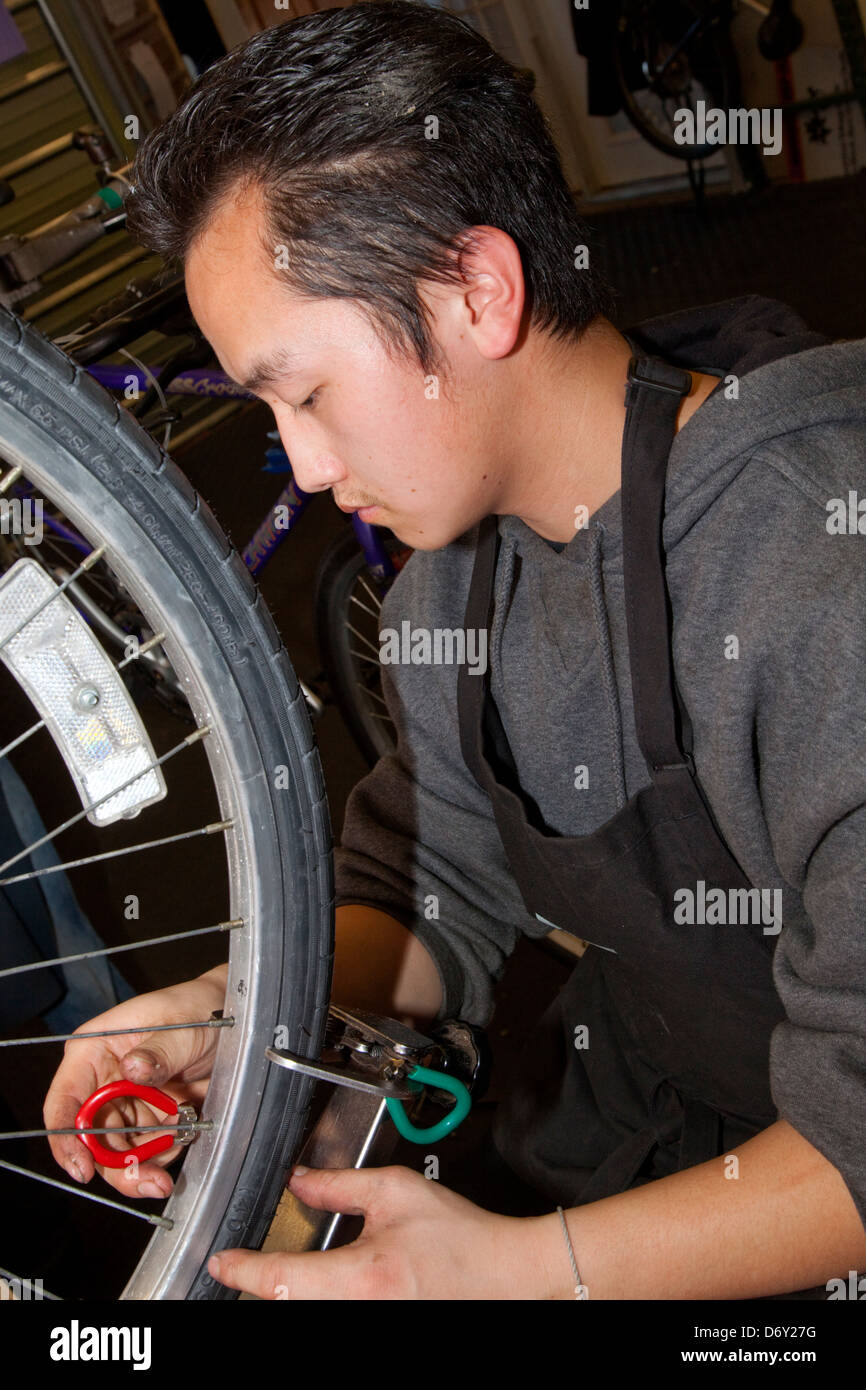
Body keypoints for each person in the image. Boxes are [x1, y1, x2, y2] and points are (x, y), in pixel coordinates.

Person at [43, 2, 866, 1300]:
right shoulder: (452, 582)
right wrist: (240, 1008)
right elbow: (438, 889)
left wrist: (526, 1271)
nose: (305, 467)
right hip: (663, 1111)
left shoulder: (819, 579)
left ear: (476, 290)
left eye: (307, 393)